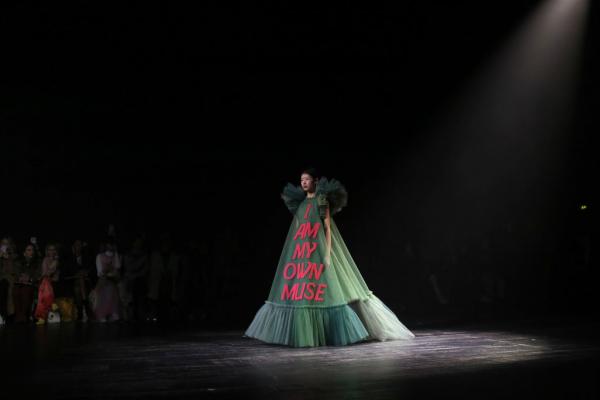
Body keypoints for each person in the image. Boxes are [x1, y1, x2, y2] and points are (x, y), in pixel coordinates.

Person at [245, 168, 415, 347]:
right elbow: (298, 228)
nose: (304, 182)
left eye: (307, 179)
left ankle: (341, 329)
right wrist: (295, 252)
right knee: (304, 290)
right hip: (302, 252)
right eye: (302, 180)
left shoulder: (321, 201)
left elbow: (327, 228)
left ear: (315, 181)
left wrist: (326, 254)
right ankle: (307, 331)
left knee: (329, 289)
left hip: (318, 249)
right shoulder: (300, 205)